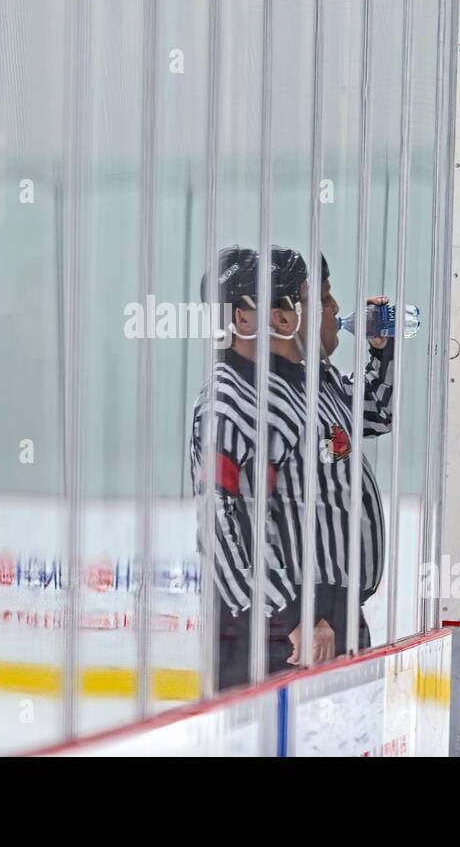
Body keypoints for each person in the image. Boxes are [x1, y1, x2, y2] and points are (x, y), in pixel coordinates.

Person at [190, 246, 327, 690]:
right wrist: (287, 614)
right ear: (245, 320)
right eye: (302, 300)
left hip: (286, 624)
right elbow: (220, 517)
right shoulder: (227, 402)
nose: (318, 312)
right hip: (262, 632)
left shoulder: (290, 388)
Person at [295, 253, 396, 654]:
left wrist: (380, 350)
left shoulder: (323, 379)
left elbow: (377, 412)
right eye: (323, 299)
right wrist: (307, 611)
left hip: (340, 611)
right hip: (312, 618)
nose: (336, 308)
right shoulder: (277, 395)